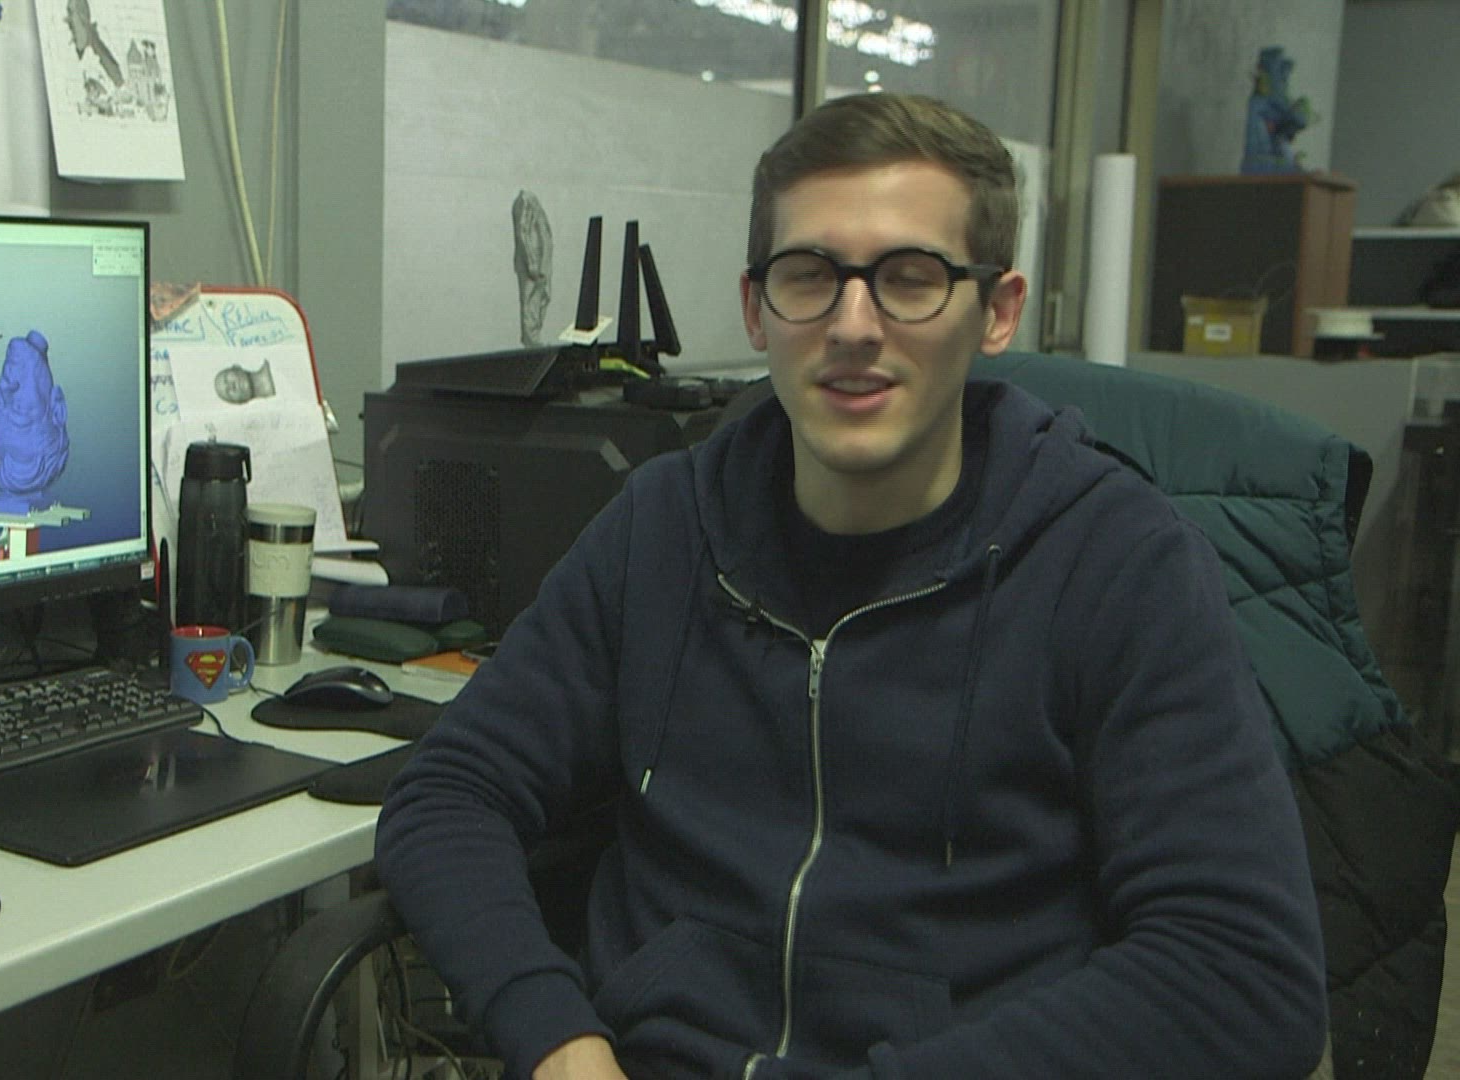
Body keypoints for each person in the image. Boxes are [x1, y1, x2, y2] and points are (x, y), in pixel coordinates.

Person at [375, 92, 1326, 1079]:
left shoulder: (1117, 563)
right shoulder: (664, 526)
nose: (854, 326)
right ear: (756, 308)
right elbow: (449, 792)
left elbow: (1243, 971)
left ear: (998, 311)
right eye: (810, 276)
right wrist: (555, 1039)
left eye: (912, 279)